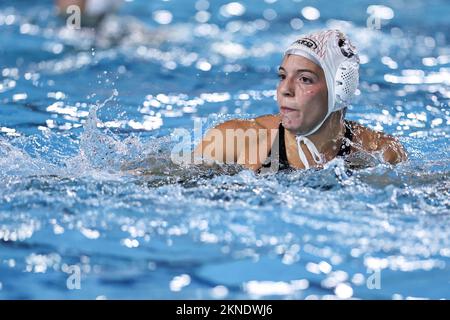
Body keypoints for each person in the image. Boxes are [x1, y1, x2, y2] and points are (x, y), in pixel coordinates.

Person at [193, 29, 407, 173]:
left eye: (305, 79)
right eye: (282, 76)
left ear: (340, 89)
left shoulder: (378, 153)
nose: (284, 90)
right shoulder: (236, 141)